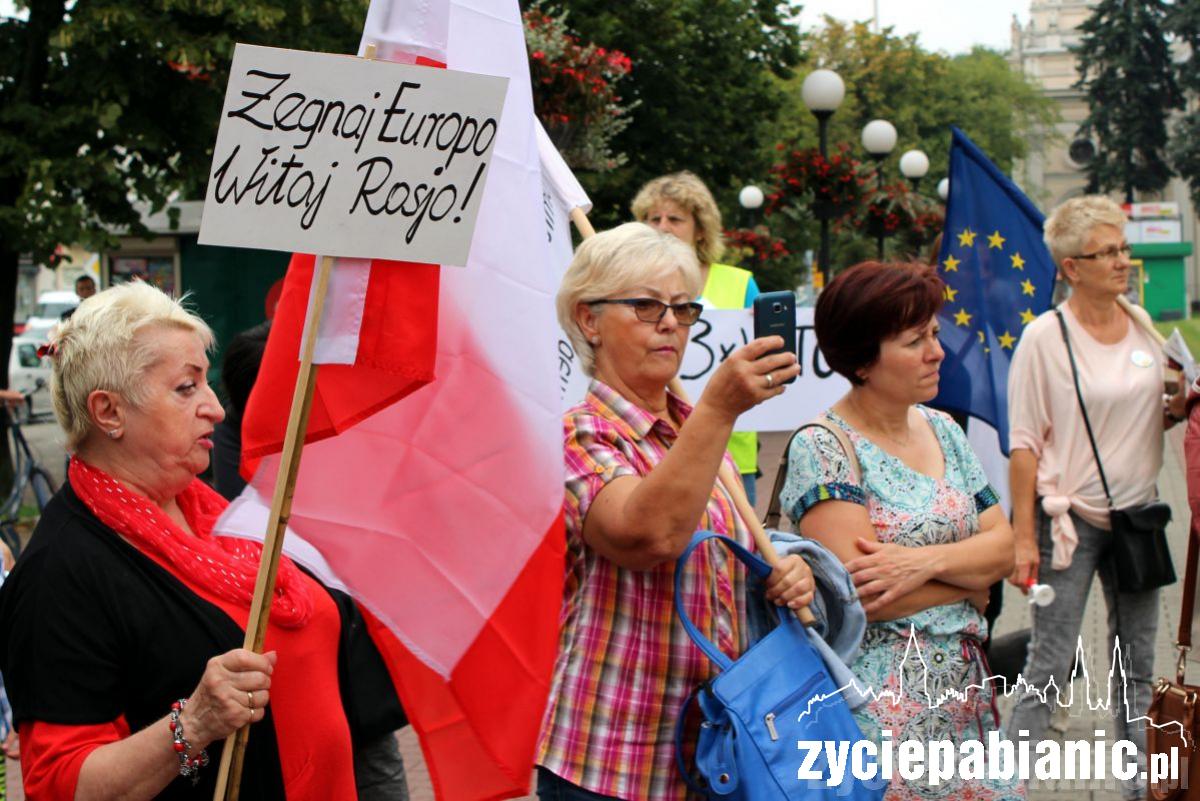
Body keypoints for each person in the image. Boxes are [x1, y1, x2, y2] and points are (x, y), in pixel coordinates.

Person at [0, 282, 405, 800]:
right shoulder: (59, 573)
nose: (216, 408)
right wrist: (191, 725)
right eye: (186, 388)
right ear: (109, 412)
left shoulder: (214, 513)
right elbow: (60, 784)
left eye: (205, 384)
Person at [537, 223, 812, 801]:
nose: (669, 323)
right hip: (612, 757)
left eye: (682, 308)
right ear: (589, 320)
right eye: (645, 305)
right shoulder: (581, 433)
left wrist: (780, 576)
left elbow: (722, 567)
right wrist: (718, 409)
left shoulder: (695, 432)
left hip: (717, 754)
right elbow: (649, 537)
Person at [779, 261, 1020, 801]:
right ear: (863, 360)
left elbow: (1004, 547)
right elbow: (862, 596)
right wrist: (969, 584)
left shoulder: (943, 428)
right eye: (915, 341)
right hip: (880, 715)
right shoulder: (824, 446)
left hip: (967, 701)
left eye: (933, 333)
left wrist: (923, 563)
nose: (938, 352)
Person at [1006, 196, 1186, 799]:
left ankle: (1141, 792)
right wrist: (1023, 541)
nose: (1121, 261)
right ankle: (1004, 786)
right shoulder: (1044, 339)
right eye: (1106, 252)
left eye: (1123, 248)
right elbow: (1024, 445)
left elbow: (1145, 414)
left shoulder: (1140, 323)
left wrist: (1176, 407)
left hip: (1139, 518)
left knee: (1137, 668)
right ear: (1071, 268)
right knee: (1050, 664)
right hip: (1068, 521)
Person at [632, 172, 763, 505]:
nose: (662, 227)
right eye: (653, 218)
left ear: (700, 229)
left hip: (730, 453)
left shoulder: (740, 283)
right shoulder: (628, 285)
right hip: (651, 446)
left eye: (675, 219)